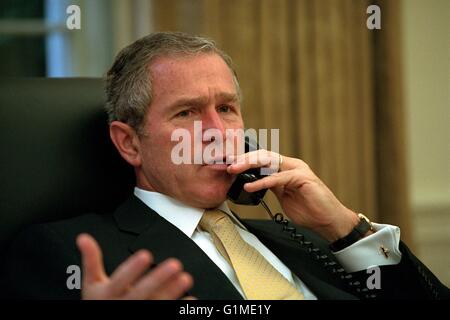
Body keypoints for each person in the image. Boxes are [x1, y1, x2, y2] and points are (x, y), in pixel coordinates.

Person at [2, 32, 448, 300]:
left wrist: (346, 229)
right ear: (129, 143)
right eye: (187, 113)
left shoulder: (303, 238)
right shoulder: (70, 253)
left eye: (228, 109)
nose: (218, 131)